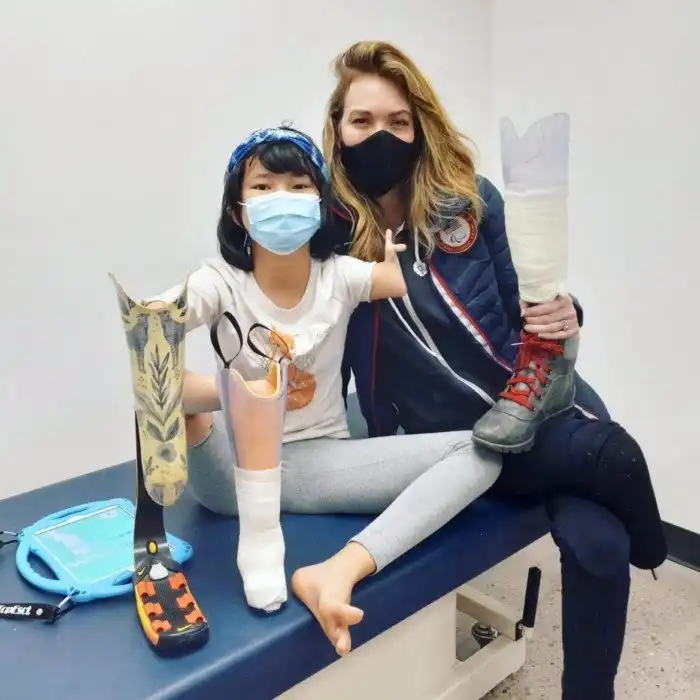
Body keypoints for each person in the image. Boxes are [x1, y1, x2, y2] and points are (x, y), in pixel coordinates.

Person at [322, 40, 667, 700]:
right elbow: (320, 351)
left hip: (538, 411)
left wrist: (565, 311)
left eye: (398, 121)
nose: (380, 135)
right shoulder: (329, 243)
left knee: (600, 548)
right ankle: (641, 523)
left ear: (420, 127)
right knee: (612, 460)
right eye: (362, 120)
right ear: (337, 130)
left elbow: (526, 305)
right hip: (457, 448)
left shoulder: (470, 203)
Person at [153, 126, 502, 654]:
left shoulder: (338, 276)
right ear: (236, 210)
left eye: (298, 186)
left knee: (479, 452)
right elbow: (148, 343)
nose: (282, 199)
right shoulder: (217, 281)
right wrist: (246, 392)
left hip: (316, 453)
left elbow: (390, 283)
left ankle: (339, 568)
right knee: (170, 389)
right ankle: (264, 540)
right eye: (263, 187)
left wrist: (395, 255)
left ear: (320, 204)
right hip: (232, 466)